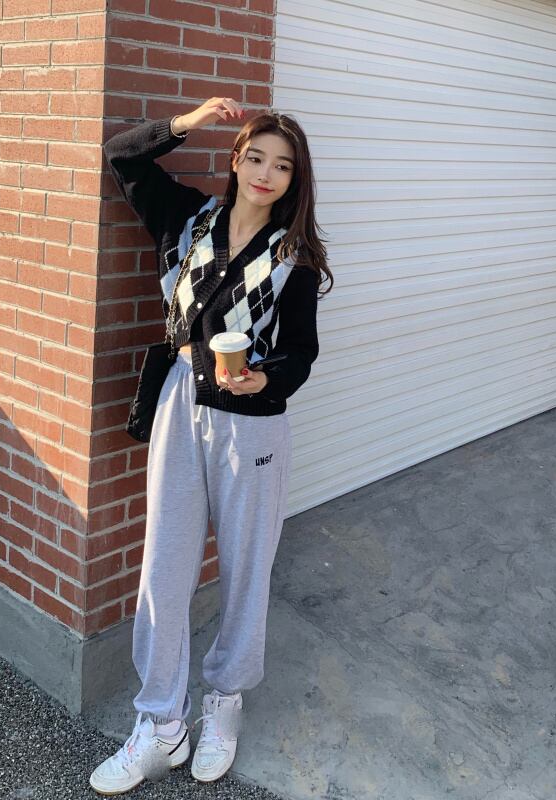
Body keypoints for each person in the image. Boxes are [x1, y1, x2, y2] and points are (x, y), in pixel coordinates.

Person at [91, 97, 332, 795]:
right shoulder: (187, 218)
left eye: (281, 166)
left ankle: (224, 702)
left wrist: (266, 379)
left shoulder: (295, 258)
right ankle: (160, 722)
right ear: (235, 159)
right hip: (179, 404)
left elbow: (301, 352)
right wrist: (187, 124)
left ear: (294, 180)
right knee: (163, 566)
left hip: (252, 423)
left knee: (247, 568)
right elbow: (122, 157)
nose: (265, 173)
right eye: (255, 157)